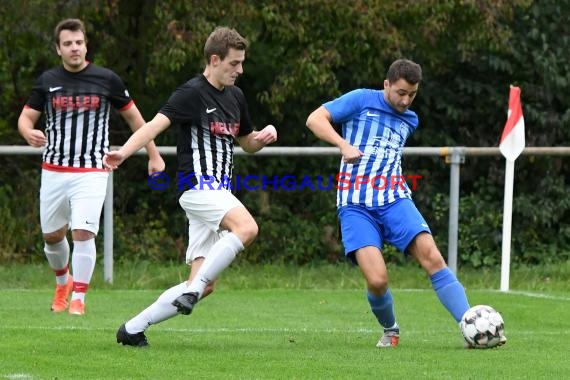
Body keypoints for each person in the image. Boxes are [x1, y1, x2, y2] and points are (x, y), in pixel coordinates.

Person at [306, 58, 506, 348]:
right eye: (400, 92)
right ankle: (390, 329)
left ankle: (472, 326)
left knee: (433, 258)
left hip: (394, 198)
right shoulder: (361, 99)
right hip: (355, 204)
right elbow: (315, 119)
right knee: (377, 280)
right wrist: (343, 145)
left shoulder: (410, 119)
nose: (405, 100)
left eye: (412, 94)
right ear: (386, 84)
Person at [104, 26, 278, 347]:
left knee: (204, 283)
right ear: (214, 59)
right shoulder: (191, 93)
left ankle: (131, 329)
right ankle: (192, 290)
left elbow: (247, 143)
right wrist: (124, 152)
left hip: (219, 192)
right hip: (197, 186)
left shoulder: (236, 97)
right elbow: (153, 125)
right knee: (247, 228)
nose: (240, 70)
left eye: (241, 63)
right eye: (234, 63)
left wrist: (262, 138)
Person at [17, 18, 165, 316]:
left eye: (79, 43)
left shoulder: (106, 79)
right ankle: (63, 283)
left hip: (92, 171)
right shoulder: (47, 81)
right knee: (52, 237)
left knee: (83, 232)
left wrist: (154, 155)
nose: (75, 48)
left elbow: (137, 120)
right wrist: (26, 131)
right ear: (58, 49)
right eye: (68, 44)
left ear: (86, 45)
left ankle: (79, 300)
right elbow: (25, 117)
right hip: (54, 170)